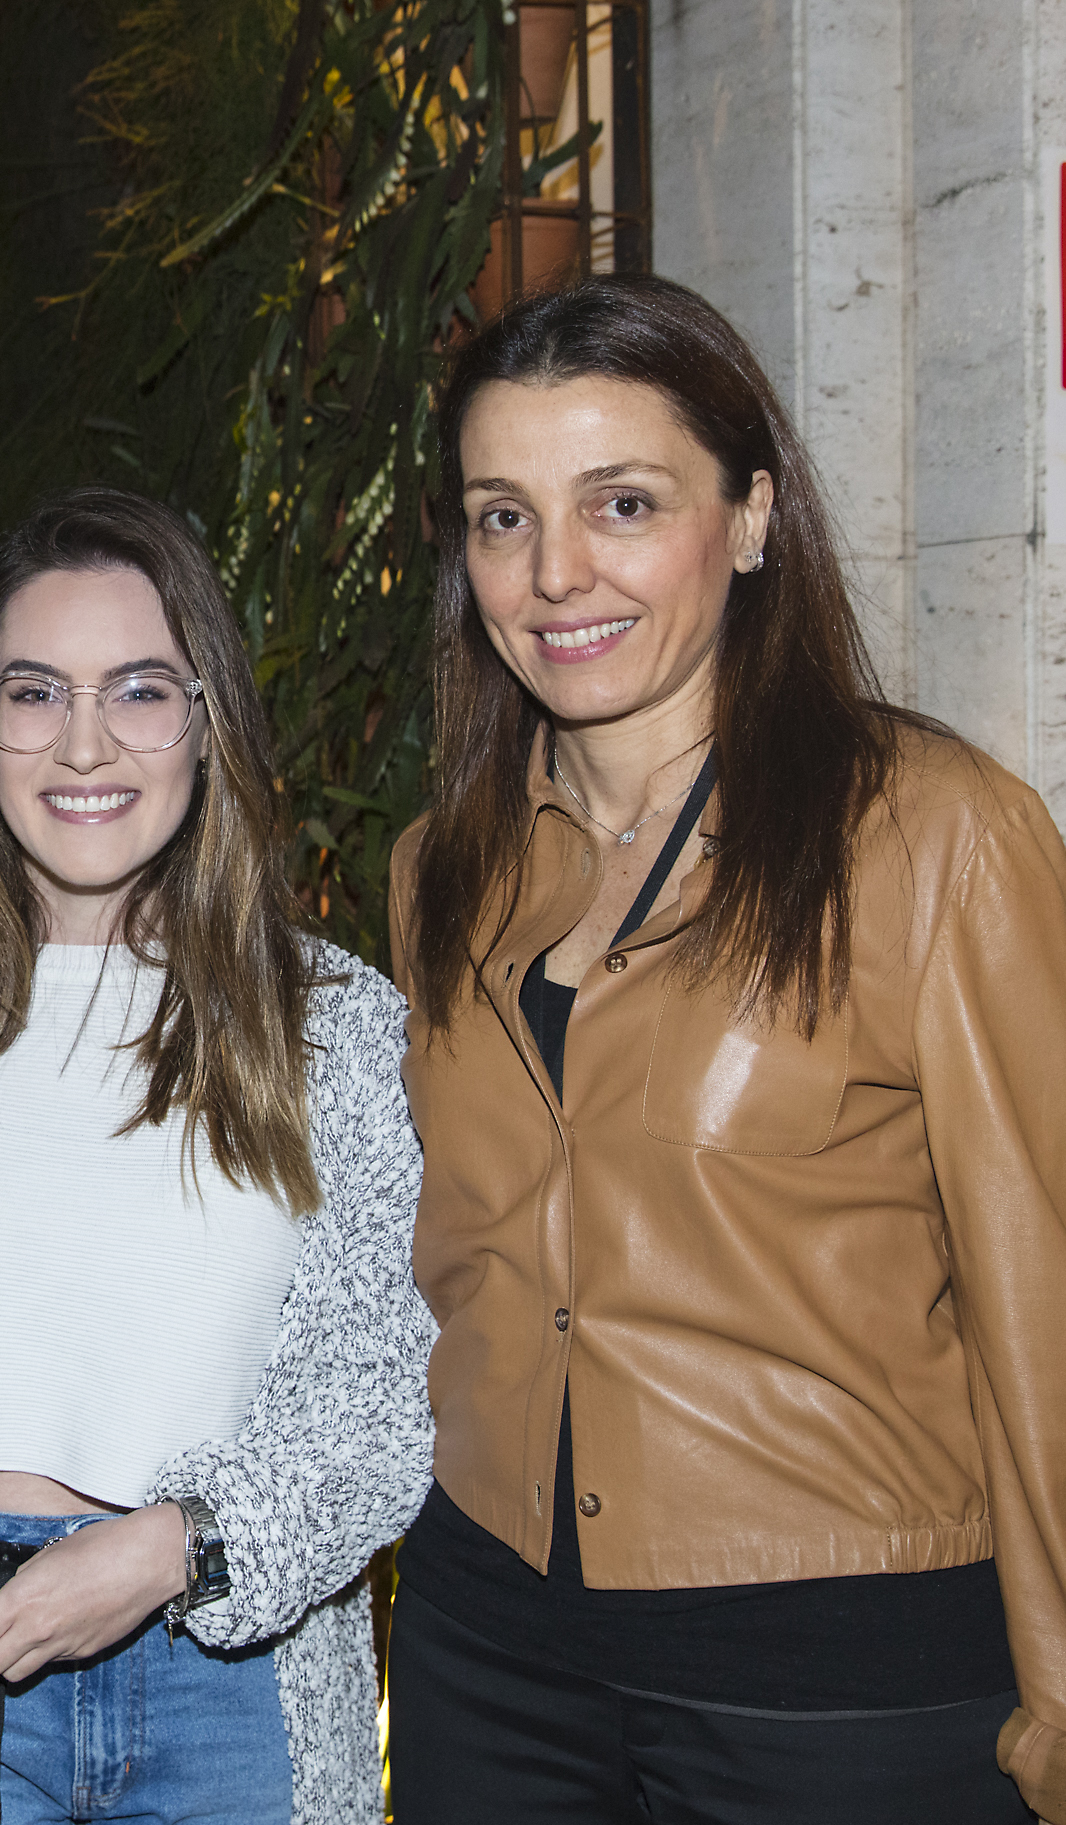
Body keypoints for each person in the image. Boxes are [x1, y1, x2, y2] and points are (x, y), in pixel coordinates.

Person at [385, 273, 1066, 1824]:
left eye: (620, 502)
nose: (555, 573)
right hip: (489, 1654)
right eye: (501, 516)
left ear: (750, 517)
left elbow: (1046, 1298)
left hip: (840, 1675)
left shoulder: (933, 836)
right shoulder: (447, 867)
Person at [0, 488, 434, 1824]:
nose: (82, 742)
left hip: (219, 1672)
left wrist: (167, 1551)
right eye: (32, 692)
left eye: (139, 690)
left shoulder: (325, 1021)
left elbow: (381, 1396)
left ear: (205, 719)